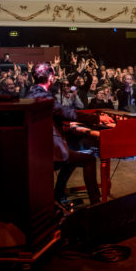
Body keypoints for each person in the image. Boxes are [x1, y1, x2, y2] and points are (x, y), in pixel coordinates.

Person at [27, 62, 108, 204]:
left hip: (39, 147)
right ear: (51, 77)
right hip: (47, 151)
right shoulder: (42, 95)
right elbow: (66, 112)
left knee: (71, 158)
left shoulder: (32, 92)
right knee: (88, 160)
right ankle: (96, 203)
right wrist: (97, 118)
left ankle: (58, 196)